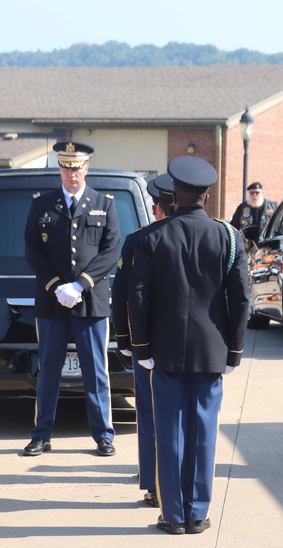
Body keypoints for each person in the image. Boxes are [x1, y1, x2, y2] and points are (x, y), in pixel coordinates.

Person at [128, 156, 250, 535]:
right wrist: (234, 350)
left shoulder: (151, 237)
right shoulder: (228, 236)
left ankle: (174, 514)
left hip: (162, 350)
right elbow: (242, 298)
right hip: (211, 350)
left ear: (173, 195)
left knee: (169, 432)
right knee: (204, 432)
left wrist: (142, 348)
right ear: (207, 196)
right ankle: (198, 512)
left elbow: (137, 296)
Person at [21, 141, 120, 457]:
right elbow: (33, 251)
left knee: (95, 370)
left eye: (77, 168)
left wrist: (80, 286)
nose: (71, 174)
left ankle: (104, 435)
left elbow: (111, 250)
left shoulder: (104, 204)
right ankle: (41, 434)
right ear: (59, 170)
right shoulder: (42, 205)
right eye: (66, 167)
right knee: (48, 369)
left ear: (86, 169)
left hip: (91, 302)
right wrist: (55, 286)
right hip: (52, 303)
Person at [112, 174, 175, 508]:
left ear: (156, 207)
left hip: (148, 341)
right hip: (192, 345)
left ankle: (153, 482)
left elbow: (122, 292)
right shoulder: (217, 234)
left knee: (150, 412)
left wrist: (125, 339)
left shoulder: (139, 240)